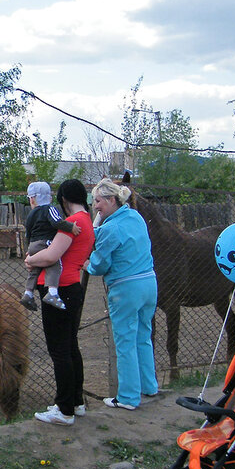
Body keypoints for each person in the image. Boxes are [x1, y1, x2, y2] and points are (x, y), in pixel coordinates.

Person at [23, 179, 95, 426]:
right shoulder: (88, 221)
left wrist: (32, 260)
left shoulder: (73, 223)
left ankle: (64, 410)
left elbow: (53, 254)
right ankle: (76, 402)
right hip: (72, 287)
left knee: (59, 351)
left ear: (64, 199)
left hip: (59, 288)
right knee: (71, 347)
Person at [86, 176, 160, 411]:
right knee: (143, 336)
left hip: (126, 288)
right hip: (149, 283)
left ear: (110, 200)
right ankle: (149, 386)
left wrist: (86, 263)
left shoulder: (110, 228)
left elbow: (99, 266)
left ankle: (127, 397)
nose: (95, 206)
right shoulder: (135, 217)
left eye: (97, 201)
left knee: (125, 341)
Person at [21, 181, 79, 311]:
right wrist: (71, 227)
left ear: (32, 199)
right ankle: (52, 293)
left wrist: (29, 250)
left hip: (33, 244)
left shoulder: (31, 214)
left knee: (34, 269)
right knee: (54, 264)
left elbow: (28, 233)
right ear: (48, 197)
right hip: (45, 242)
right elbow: (57, 222)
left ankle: (28, 293)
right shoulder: (50, 209)